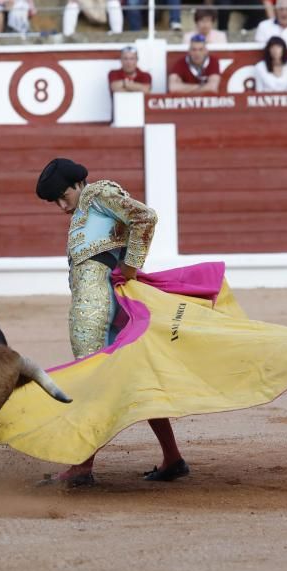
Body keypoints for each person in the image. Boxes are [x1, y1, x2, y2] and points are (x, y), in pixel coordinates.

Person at [33, 158, 189, 487]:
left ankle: (81, 467)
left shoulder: (96, 194)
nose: (62, 206)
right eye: (56, 202)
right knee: (136, 377)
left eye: (64, 196)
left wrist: (131, 267)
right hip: (106, 301)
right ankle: (172, 458)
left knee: (91, 379)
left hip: (98, 304)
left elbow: (145, 217)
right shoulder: (83, 210)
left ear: (78, 184)